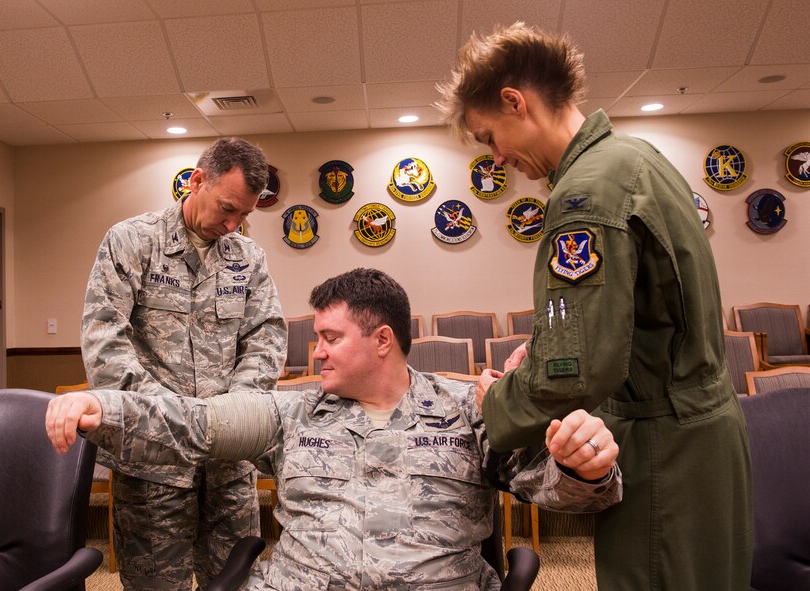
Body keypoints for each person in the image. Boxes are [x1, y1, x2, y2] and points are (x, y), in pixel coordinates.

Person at [50, 268, 623, 590]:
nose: (313, 351)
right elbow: (197, 423)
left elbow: (551, 485)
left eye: (330, 338)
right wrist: (108, 408)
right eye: (316, 337)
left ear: (382, 341)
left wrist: (583, 463)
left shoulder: (467, 408)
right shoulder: (291, 412)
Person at [437, 22, 753, 590]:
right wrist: (544, 348)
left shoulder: (585, 194)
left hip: (664, 447)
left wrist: (496, 401)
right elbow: (629, 317)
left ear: (516, 101)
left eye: (490, 137)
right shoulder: (635, 158)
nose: (498, 157)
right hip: (703, 436)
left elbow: (577, 369)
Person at [81, 136, 287, 590]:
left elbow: (266, 339)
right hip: (154, 460)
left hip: (228, 464)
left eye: (245, 215)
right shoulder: (132, 241)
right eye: (227, 208)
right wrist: (175, 420)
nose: (233, 225)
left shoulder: (248, 259)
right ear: (196, 181)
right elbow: (104, 343)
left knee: (237, 580)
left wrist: (233, 413)